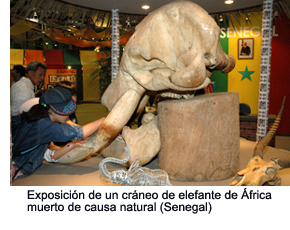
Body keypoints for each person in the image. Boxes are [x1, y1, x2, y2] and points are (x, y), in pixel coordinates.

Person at [12, 86, 105, 179]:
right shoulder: (45, 125)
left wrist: (71, 146)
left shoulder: (40, 120)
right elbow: (81, 132)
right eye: (65, 111)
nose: (68, 115)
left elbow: (47, 152)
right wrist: (104, 120)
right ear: (51, 110)